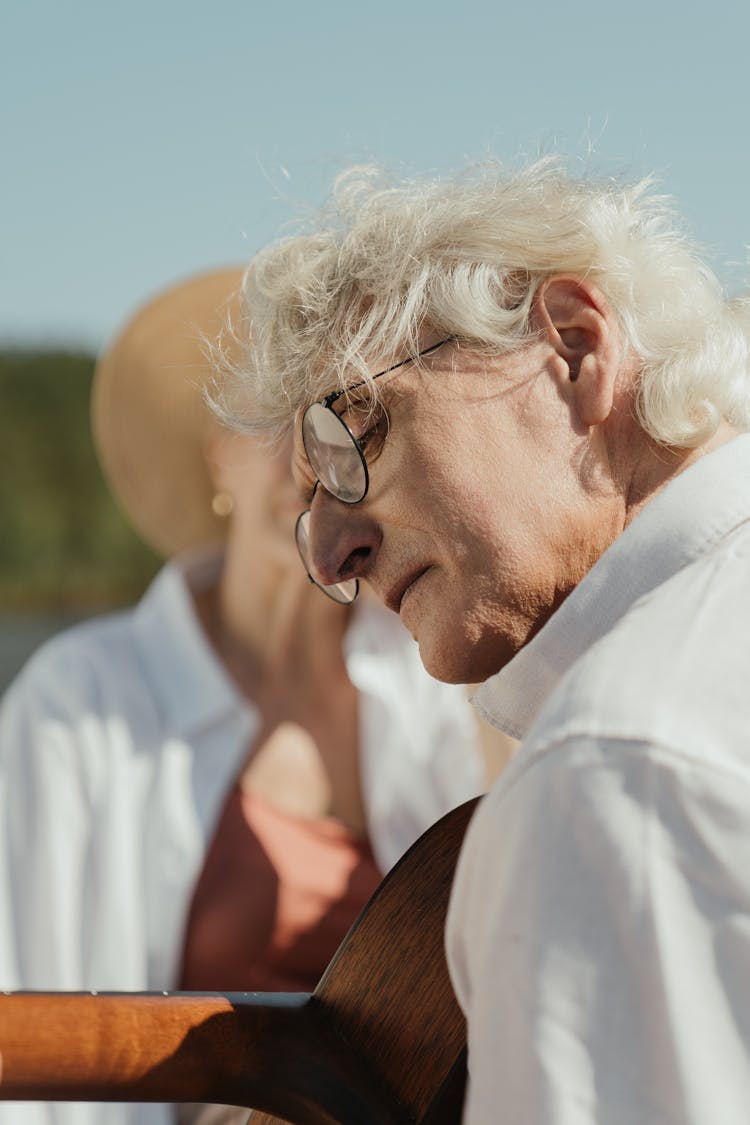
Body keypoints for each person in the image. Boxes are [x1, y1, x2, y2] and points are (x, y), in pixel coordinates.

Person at [213, 160, 750, 1124]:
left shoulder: (612, 774)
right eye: (309, 510)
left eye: (357, 435)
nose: (336, 553)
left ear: (574, 350)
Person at [0, 268, 503, 1125]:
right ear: (216, 455)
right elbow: (20, 1005)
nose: (310, 457)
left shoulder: (441, 673)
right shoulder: (82, 696)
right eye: (276, 418)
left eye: (339, 418)